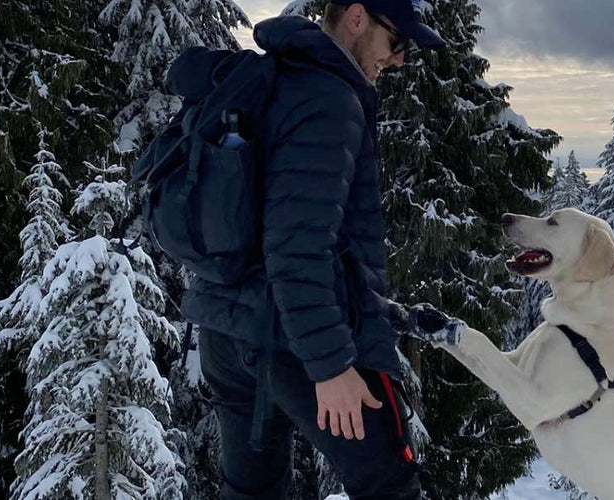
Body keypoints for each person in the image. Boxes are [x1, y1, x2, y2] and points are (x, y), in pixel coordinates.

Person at [166, 1, 447, 498]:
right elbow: (298, 246)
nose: (400, 59)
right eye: (397, 41)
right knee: (391, 484)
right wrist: (332, 365)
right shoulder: (328, 98)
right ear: (357, 17)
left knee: (254, 492)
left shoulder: (272, 78)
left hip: (227, 332)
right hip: (297, 339)